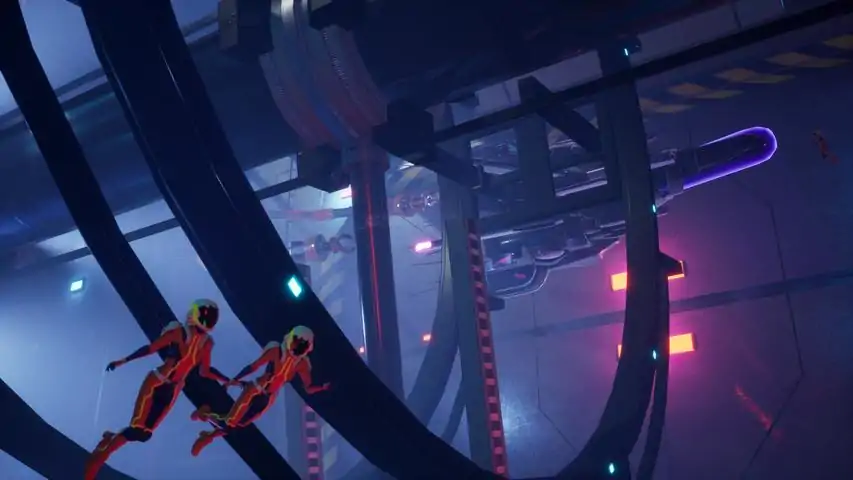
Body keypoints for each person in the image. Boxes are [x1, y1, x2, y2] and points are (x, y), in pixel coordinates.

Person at [84, 299, 230, 480]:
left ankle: (108, 442)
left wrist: (229, 381)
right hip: (157, 382)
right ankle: (99, 457)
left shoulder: (206, 343)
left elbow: (205, 371)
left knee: (145, 434)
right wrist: (123, 361)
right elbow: (151, 348)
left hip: (173, 389)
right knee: (136, 430)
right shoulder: (179, 332)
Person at [189, 326, 330, 456]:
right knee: (231, 421)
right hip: (256, 387)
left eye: (301, 345)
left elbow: (308, 388)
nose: (296, 347)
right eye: (296, 342)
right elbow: (253, 367)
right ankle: (206, 422)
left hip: (268, 396)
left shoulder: (302, 364)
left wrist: (323, 387)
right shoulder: (276, 351)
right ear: (291, 338)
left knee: (238, 423)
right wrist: (234, 380)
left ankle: (207, 426)